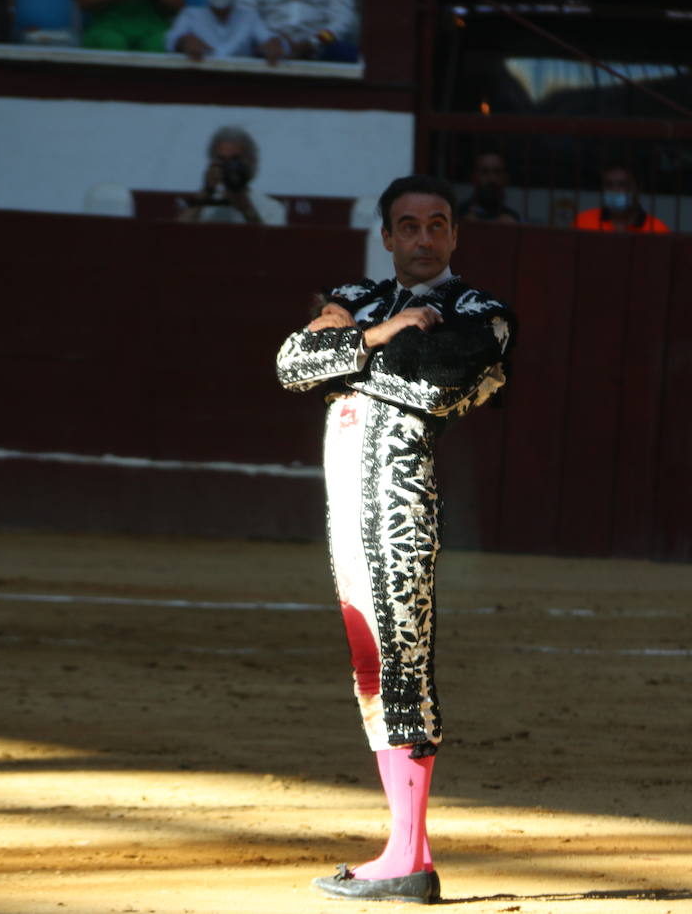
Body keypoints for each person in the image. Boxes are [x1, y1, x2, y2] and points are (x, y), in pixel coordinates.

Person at [275, 175, 515, 905]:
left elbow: (437, 379)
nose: (422, 238)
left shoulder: (480, 310)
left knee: (401, 657)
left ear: (454, 236)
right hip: (345, 500)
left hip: (399, 499)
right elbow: (291, 364)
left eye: (436, 225)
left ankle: (410, 855)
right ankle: (402, 846)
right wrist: (383, 335)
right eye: (407, 226)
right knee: (370, 659)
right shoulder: (364, 294)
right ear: (387, 236)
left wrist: (347, 353)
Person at [177, 126, 287, 226]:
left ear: (251, 162)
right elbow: (176, 237)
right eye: (222, 160)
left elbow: (269, 244)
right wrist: (206, 191)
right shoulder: (203, 206)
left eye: (235, 160)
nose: (229, 167)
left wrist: (246, 208)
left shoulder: (271, 208)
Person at [165, 0, 282, 64]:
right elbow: (171, 40)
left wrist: (275, 45)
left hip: (241, 83)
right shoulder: (190, 14)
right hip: (200, 82)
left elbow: (271, 42)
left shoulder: (249, 16)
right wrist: (183, 42)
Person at [242, 0, 359, 62]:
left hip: (319, 48)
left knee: (347, 53)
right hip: (269, 44)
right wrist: (268, 39)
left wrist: (313, 43)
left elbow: (342, 24)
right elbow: (247, 12)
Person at [573, 164, 670, 233]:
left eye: (623, 185)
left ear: (638, 188)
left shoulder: (657, 229)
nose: (615, 190)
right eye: (609, 185)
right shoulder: (583, 222)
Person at [77, 0, 181, 51]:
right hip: (107, 26)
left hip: (154, 28)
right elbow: (84, 3)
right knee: (111, 43)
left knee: (158, 45)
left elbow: (177, 7)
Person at [458, 151, 520, 224]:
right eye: (484, 172)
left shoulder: (512, 218)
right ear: (474, 177)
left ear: (505, 178)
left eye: (497, 172)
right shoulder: (458, 214)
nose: (492, 179)